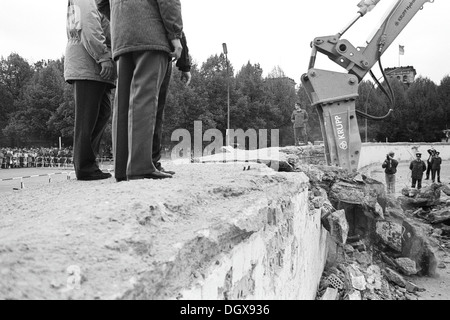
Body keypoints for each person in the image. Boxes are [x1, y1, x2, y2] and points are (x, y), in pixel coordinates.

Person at [96, 0, 183, 182]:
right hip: (151, 33)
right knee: (144, 99)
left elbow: (101, 2)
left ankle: (122, 168)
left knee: (122, 103)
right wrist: (175, 35)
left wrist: (123, 17)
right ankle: (139, 167)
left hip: (122, 35)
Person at [64, 0, 116, 181]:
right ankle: (85, 166)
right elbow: (88, 25)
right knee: (87, 118)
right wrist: (103, 56)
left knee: (102, 113)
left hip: (90, 64)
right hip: (88, 62)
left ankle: (88, 163)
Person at [153, 32, 192, 176]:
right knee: (154, 110)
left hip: (127, 49)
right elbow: (174, 23)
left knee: (132, 107)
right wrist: (185, 65)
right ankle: (150, 162)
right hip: (158, 50)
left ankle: (131, 161)